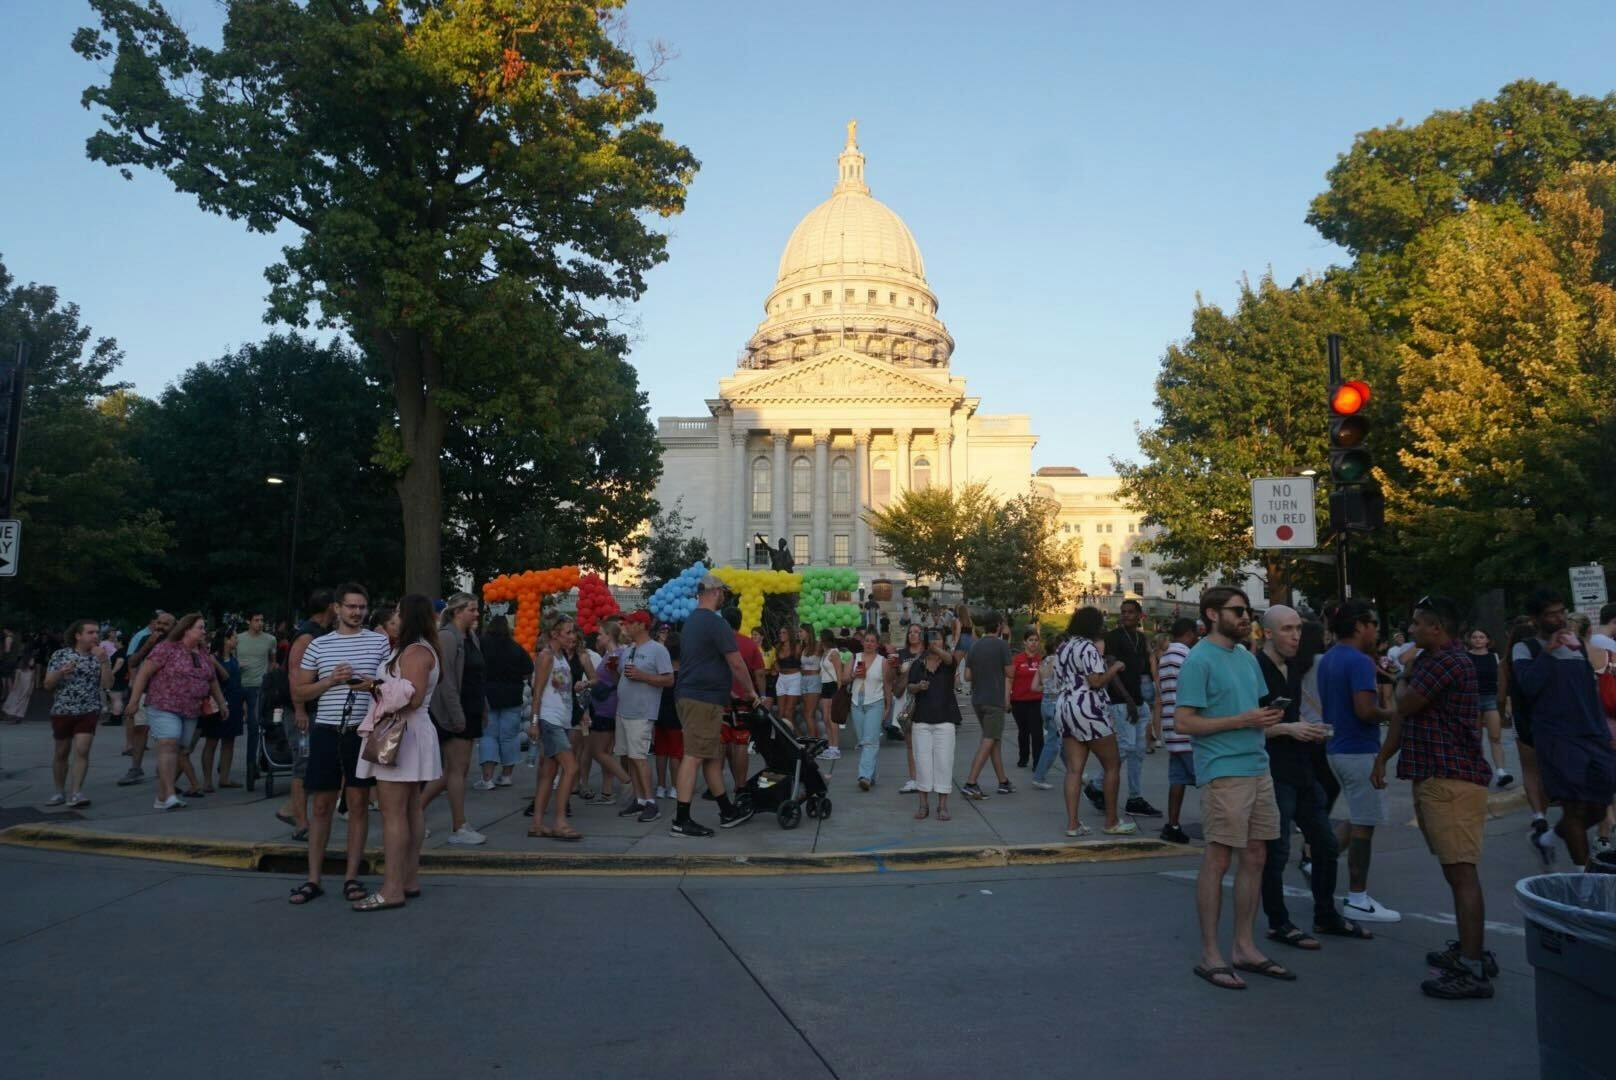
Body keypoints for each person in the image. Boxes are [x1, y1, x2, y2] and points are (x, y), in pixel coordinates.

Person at [1372, 596, 1497, 999]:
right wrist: (1383, 759)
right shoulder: (1430, 660)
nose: (1410, 630)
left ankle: (1474, 967)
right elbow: (1404, 717)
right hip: (1437, 778)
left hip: (1452, 781)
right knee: (1454, 870)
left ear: (1437, 628)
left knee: (1462, 873)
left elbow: (1405, 705)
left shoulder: (1446, 662)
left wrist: (1398, 676)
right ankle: (1469, 950)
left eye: (1417, 624)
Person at [1175, 586, 1288, 990]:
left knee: (1256, 856)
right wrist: (1241, 721)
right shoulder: (1198, 659)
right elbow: (1183, 722)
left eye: (1248, 611)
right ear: (1211, 613)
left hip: (1258, 766)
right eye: (1238, 611)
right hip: (1223, 771)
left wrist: (1283, 721)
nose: (1246, 618)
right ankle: (1211, 955)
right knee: (1218, 858)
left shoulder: (1245, 657)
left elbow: (1256, 714)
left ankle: (1244, 946)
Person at [1255, 607, 1365, 951]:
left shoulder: (1292, 668)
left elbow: (1288, 716)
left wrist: (1310, 730)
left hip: (1301, 768)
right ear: (1268, 633)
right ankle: (1278, 922)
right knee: (1277, 850)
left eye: (1298, 629)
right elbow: (1247, 725)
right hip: (1273, 772)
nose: (1296, 635)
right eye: (1287, 629)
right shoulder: (1255, 668)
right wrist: (1290, 728)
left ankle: (1325, 914)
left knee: (1326, 844)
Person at [288, 584, 389, 905]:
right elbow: (300, 693)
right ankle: (313, 879)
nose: (357, 612)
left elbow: (392, 686)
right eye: (351, 607)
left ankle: (351, 877)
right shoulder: (319, 646)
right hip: (327, 730)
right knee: (321, 806)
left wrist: (370, 683)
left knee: (359, 804)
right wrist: (330, 680)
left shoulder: (380, 642)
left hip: (361, 732)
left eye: (362, 607)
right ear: (337, 608)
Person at [1510, 588, 1616, 869]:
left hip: (1591, 733)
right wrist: (1548, 652)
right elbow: (1528, 686)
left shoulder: (1577, 646)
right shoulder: (1526, 649)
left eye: (1561, 612)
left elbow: (1589, 690)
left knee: (1601, 799)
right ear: (1535, 619)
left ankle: (1547, 839)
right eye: (1550, 615)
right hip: (1557, 737)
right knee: (1575, 806)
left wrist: (1604, 732)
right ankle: (1584, 876)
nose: (1559, 619)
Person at [352, 593, 444, 911]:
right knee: (410, 810)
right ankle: (407, 879)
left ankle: (393, 888)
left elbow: (412, 698)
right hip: (410, 733)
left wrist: (373, 687)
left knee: (395, 813)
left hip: (401, 732)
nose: (395, 617)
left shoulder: (415, 652)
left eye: (399, 612)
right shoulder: (419, 649)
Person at [1318, 598, 1402, 924]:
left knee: (1358, 815)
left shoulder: (1330, 658)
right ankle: (1358, 899)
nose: (1376, 631)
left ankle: (1318, 859)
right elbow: (1365, 710)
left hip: (1337, 748)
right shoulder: (1359, 662)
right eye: (1373, 625)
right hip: (1358, 749)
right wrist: (1393, 714)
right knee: (1364, 827)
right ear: (1359, 626)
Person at [670, 573, 761, 837]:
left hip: (697, 695)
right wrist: (751, 692)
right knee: (694, 755)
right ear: (714, 591)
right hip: (702, 699)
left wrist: (728, 694)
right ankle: (681, 820)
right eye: (723, 592)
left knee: (710, 756)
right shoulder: (716, 623)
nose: (725, 596)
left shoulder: (691, 622)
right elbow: (736, 663)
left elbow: (701, 662)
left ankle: (727, 810)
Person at [125, 614, 227, 810]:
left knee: (180, 749)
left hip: (190, 710)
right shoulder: (167, 648)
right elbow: (144, 672)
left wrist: (222, 704)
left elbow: (212, 679)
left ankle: (162, 796)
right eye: (200, 627)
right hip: (164, 705)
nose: (204, 631)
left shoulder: (203, 652)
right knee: (168, 743)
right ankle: (170, 794)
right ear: (187, 629)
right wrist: (134, 700)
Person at [1053, 607, 1135, 836]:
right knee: (1112, 765)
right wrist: (1115, 667)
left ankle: (1073, 824)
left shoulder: (1063, 647)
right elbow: (1096, 681)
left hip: (1066, 707)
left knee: (1074, 770)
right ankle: (1111, 821)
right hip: (1088, 709)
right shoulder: (1087, 648)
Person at [420, 593, 488, 845]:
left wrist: (483, 708)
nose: (476, 614)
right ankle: (459, 826)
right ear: (458, 612)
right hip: (455, 712)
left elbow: (477, 677)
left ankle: (415, 811)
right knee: (456, 770)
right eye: (472, 609)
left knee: (452, 770)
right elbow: (446, 681)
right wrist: (457, 714)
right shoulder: (448, 637)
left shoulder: (470, 638)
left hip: (469, 709)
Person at [276, 591, 335, 839]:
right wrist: (299, 710)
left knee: (313, 764)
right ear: (330, 607)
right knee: (303, 764)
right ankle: (301, 824)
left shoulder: (321, 633)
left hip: (315, 710)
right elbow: (294, 674)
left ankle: (291, 808)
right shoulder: (307, 635)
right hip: (302, 711)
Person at [528, 614, 587, 840]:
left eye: (573, 632)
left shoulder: (561, 657)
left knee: (548, 773)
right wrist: (534, 722)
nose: (573, 636)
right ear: (555, 634)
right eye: (568, 632)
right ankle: (560, 821)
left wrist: (578, 716)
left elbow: (564, 693)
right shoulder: (547, 657)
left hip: (560, 720)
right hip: (549, 719)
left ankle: (537, 823)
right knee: (571, 768)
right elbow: (538, 692)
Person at [42, 619, 112, 808]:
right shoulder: (61, 655)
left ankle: (76, 793)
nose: (95, 636)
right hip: (63, 709)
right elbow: (47, 684)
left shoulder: (100, 656)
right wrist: (60, 673)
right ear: (78, 635)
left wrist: (104, 661)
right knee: (61, 752)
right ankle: (58, 792)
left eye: (97, 632)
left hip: (88, 709)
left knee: (82, 750)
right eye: (90, 632)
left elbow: (108, 685)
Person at [1104, 599, 1160, 817]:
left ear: (1139, 615)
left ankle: (1134, 797)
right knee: (1126, 747)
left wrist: (1145, 697)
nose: (1126, 615)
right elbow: (1112, 669)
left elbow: (1144, 671)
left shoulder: (1140, 637)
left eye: (1130, 612)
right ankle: (1098, 784)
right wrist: (1127, 700)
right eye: (1123, 612)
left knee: (1138, 752)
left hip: (1138, 700)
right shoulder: (1113, 637)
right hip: (1120, 701)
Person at [616, 610, 673, 821]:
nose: (626, 627)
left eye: (630, 623)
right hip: (624, 710)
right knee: (631, 757)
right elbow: (623, 676)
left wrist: (642, 676)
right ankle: (639, 800)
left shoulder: (657, 650)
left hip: (641, 712)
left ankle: (651, 802)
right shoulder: (629, 649)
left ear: (641, 625)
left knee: (639, 757)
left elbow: (668, 680)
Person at [960, 611, 1014, 800]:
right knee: (989, 739)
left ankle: (1003, 781)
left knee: (994, 740)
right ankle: (971, 782)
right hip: (994, 699)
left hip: (978, 699)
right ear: (998, 626)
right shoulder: (1002, 646)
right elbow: (1010, 672)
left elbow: (967, 676)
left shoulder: (974, 646)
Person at [475, 615, 533, 791]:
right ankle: (506, 776)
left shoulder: (481, 645)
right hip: (512, 697)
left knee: (488, 735)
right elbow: (528, 669)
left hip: (487, 697)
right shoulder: (516, 647)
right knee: (510, 737)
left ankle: (487, 778)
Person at [908, 628, 961, 820]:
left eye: (937, 639)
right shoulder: (918, 664)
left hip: (945, 720)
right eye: (931, 639)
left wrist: (936, 649)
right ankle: (923, 805)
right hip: (921, 720)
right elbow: (910, 687)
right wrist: (918, 687)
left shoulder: (948, 662)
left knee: (944, 762)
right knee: (922, 763)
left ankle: (942, 806)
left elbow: (949, 660)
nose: (934, 642)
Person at [117, 610, 174, 785]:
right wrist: (147, 645)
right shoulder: (145, 639)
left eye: (165, 624)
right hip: (145, 691)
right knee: (140, 729)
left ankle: (163, 769)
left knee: (163, 735)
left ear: (174, 626)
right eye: (158, 623)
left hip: (168, 694)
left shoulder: (178, 643)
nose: (160, 627)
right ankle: (135, 768)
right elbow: (132, 662)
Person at [1156, 618, 1199, 842]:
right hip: (1188, 728)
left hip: (1171, 727)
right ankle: (1221, 826)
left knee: (1178, 778)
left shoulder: (1165, 656)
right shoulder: (1185, 656)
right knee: (1207, 781)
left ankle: (1172, 824)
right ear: (1190, 634)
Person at [721, 607, 766, 792]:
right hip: (744, 699)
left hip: (720, 698)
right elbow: (760, 673)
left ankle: (716, 784)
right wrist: (761, 695)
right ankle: (740, 785)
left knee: (723, 742)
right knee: (740, 742)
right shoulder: (749, 644)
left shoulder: (718, 643)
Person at [196, 626, 244, 791]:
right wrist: (215, 662)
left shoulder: (233, 658)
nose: (236, 640)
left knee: (229, 741)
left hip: (234, 701)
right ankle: (207, 781)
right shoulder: (212, 658)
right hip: (217, 704)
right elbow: (224, 677)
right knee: (212, 741)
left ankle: (224, 777)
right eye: (234, 637)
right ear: (226, 639)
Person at [1465, 628, 1512, 789]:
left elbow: (1500, 681)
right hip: (1472, 699)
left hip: (1491, 699)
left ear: (1487, 640)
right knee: (1475, 738)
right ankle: (1479, 771)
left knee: (1495, 736)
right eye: (1474, 637)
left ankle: (1501, 772)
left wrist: (1505, 703)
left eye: (1481, 637)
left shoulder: (1494, 657)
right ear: (1470, 640)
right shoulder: (1466, 657)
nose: (1478, 639)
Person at [849, 628, 893, 790]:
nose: (869, 643)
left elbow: (887, 685)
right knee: (863, 740)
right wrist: (854, 675)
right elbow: (844, 679)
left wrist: (888, 707)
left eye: (872, 641)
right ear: (863, 642)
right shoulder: (855, 658)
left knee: (870, 741)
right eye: (866, 640)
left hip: (875, 702)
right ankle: (871, 775)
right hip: (856, 703)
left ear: (877, 644)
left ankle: (864, 776)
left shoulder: (883, 661)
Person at [236, 611, 276, 761]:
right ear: (248, 621)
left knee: (254, 726)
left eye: (262, 620)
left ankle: (252, 762)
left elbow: (273, 660)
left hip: (258, 686)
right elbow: (231, 658)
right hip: (238, 684)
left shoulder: (270, 639)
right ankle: (224, 761)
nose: (260, 623)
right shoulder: (238, 639)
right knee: (230, 726)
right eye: (256, 620)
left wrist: (268, 676)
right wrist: (237, 666)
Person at [892, 623, 927, 793]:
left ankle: (926, 776)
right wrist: (895, 669)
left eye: (916, 632)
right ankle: (913, 778)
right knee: (910, 742)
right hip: (906, 701)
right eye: (910, 632)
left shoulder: (928, 654)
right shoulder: (901, 654)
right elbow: (894, 678)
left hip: (925, 700)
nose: (912, 635)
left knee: (926, 742)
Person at [1030, 633, 1065, 789]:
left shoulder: (1042, 663)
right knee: (1054, 742)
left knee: (1060, 740)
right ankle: (1039, 776)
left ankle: (1076, 770)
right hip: (1058, 703)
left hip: (1045, 702)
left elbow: (1033, 687)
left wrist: (1047, 687)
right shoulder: (1061, 662)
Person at [653, 631, 683, 799]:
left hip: (660, 713)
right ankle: (675, 786)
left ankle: (660, 786)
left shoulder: (661, 672)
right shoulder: (684, 673)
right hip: (677, 716)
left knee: (661, 752)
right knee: (675, 753)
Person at [1010, 629, 1045, 770]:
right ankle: (1023, 757)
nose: (1033, 643)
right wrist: (1007, 699)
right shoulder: (1016, 659)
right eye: (1030, 640)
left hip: (1037, 700)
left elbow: (1047, 680)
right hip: (1019, 700)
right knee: (1023, 731)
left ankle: (1038, 762)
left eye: (1036, 640)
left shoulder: (1042, 660)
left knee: (1037, 732)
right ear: (1024, 642)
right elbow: (1009, 679)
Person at [816, 627, 845, 759]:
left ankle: (835, 747)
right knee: (826, 718)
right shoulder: (824, 653)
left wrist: (840, 691)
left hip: (833, 686)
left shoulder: (834, 653)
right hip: (824, 685)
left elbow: (839, 673)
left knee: (833, 719)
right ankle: (830, 745)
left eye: (820, 637)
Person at [772, 625, 802, 737]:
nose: (781, 635)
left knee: (788, 713)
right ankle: (786, 740)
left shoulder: (797, 647)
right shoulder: (778, 647)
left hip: (794, 678)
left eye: (784, 633)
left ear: (789, 634)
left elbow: (802, 663)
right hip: (781, 678)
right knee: (781, 713)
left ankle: (799, 739)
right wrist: (776, 668)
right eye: (780, 633)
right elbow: (775, 661)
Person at [798, 628, 823, 739]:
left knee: (809, 713)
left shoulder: (818, 645)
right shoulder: (803, 647)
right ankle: (814, 737)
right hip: (804, 679)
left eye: (801, 631)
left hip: (814, 678)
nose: (799, 634)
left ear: (808, 633)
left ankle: (813, 740)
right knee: (807, 713)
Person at [3, 646, 36, 723]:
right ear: (26, 661)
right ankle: (13, 715)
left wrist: (30, 690)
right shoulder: (19, 670)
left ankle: (19, 716)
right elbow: (17, 680)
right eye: (31, 661)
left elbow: (32, 681)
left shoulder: (32, 671)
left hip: (26, 689)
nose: (33, 662)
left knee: (24, 702)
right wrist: (14, 688)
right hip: (19, 688)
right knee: (16, 701)